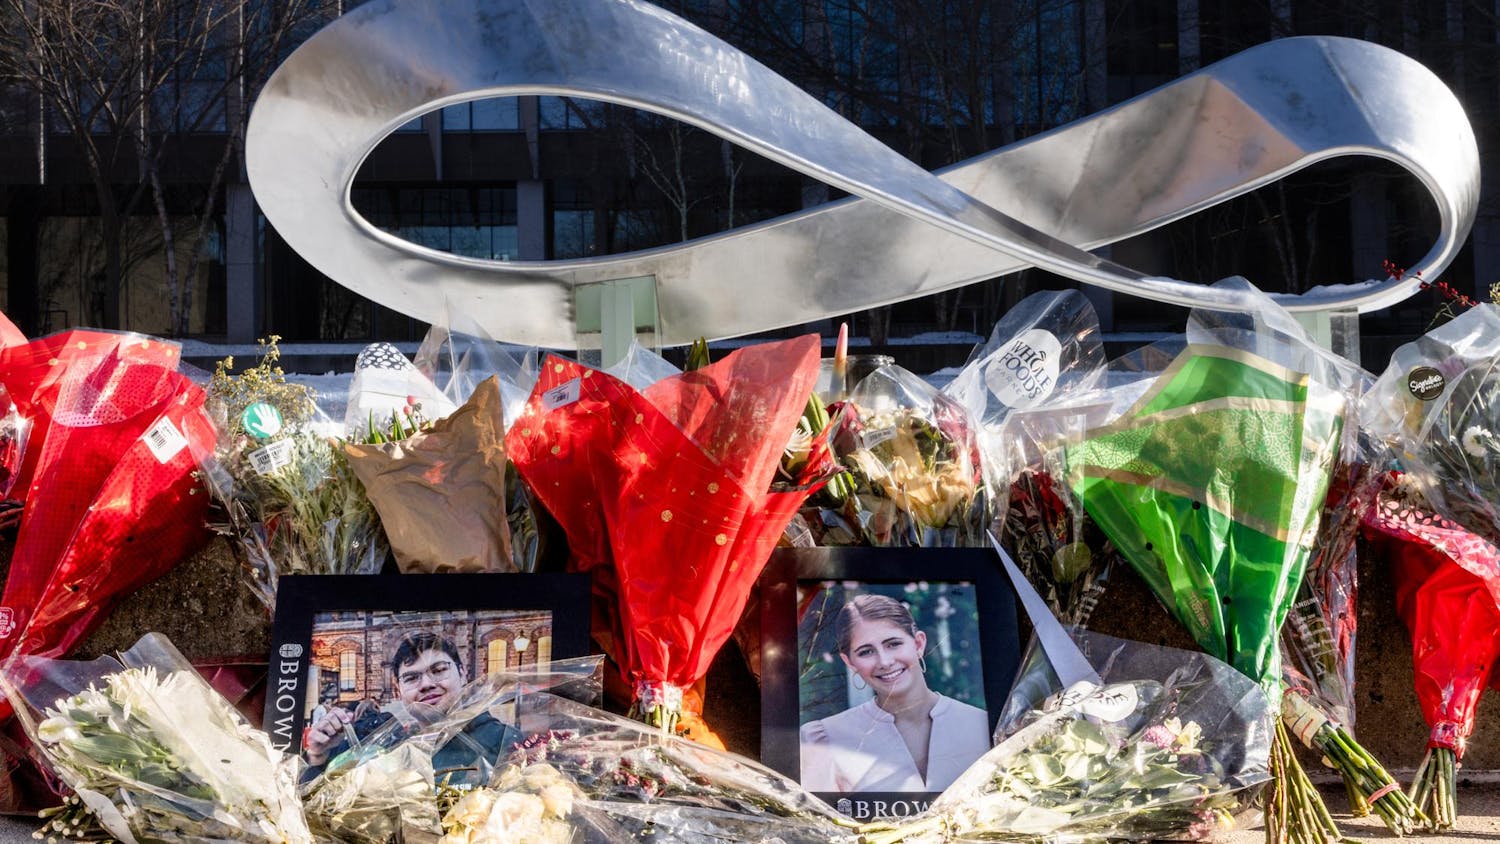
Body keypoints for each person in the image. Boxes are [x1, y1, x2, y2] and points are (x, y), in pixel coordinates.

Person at [799, 593, 990, 793]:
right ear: (849, 662)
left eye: (893, 644)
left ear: (918, 644)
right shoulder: (826, 738)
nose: (885, 661)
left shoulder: (981, 725)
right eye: (866, 652)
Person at [303, 632, 514, 785]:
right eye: (412, 677)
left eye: (439, 670)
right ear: (397, 691)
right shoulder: (384, 746)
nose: (426, 684)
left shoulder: (505, 741)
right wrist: (319, 756)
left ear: (463, 673)